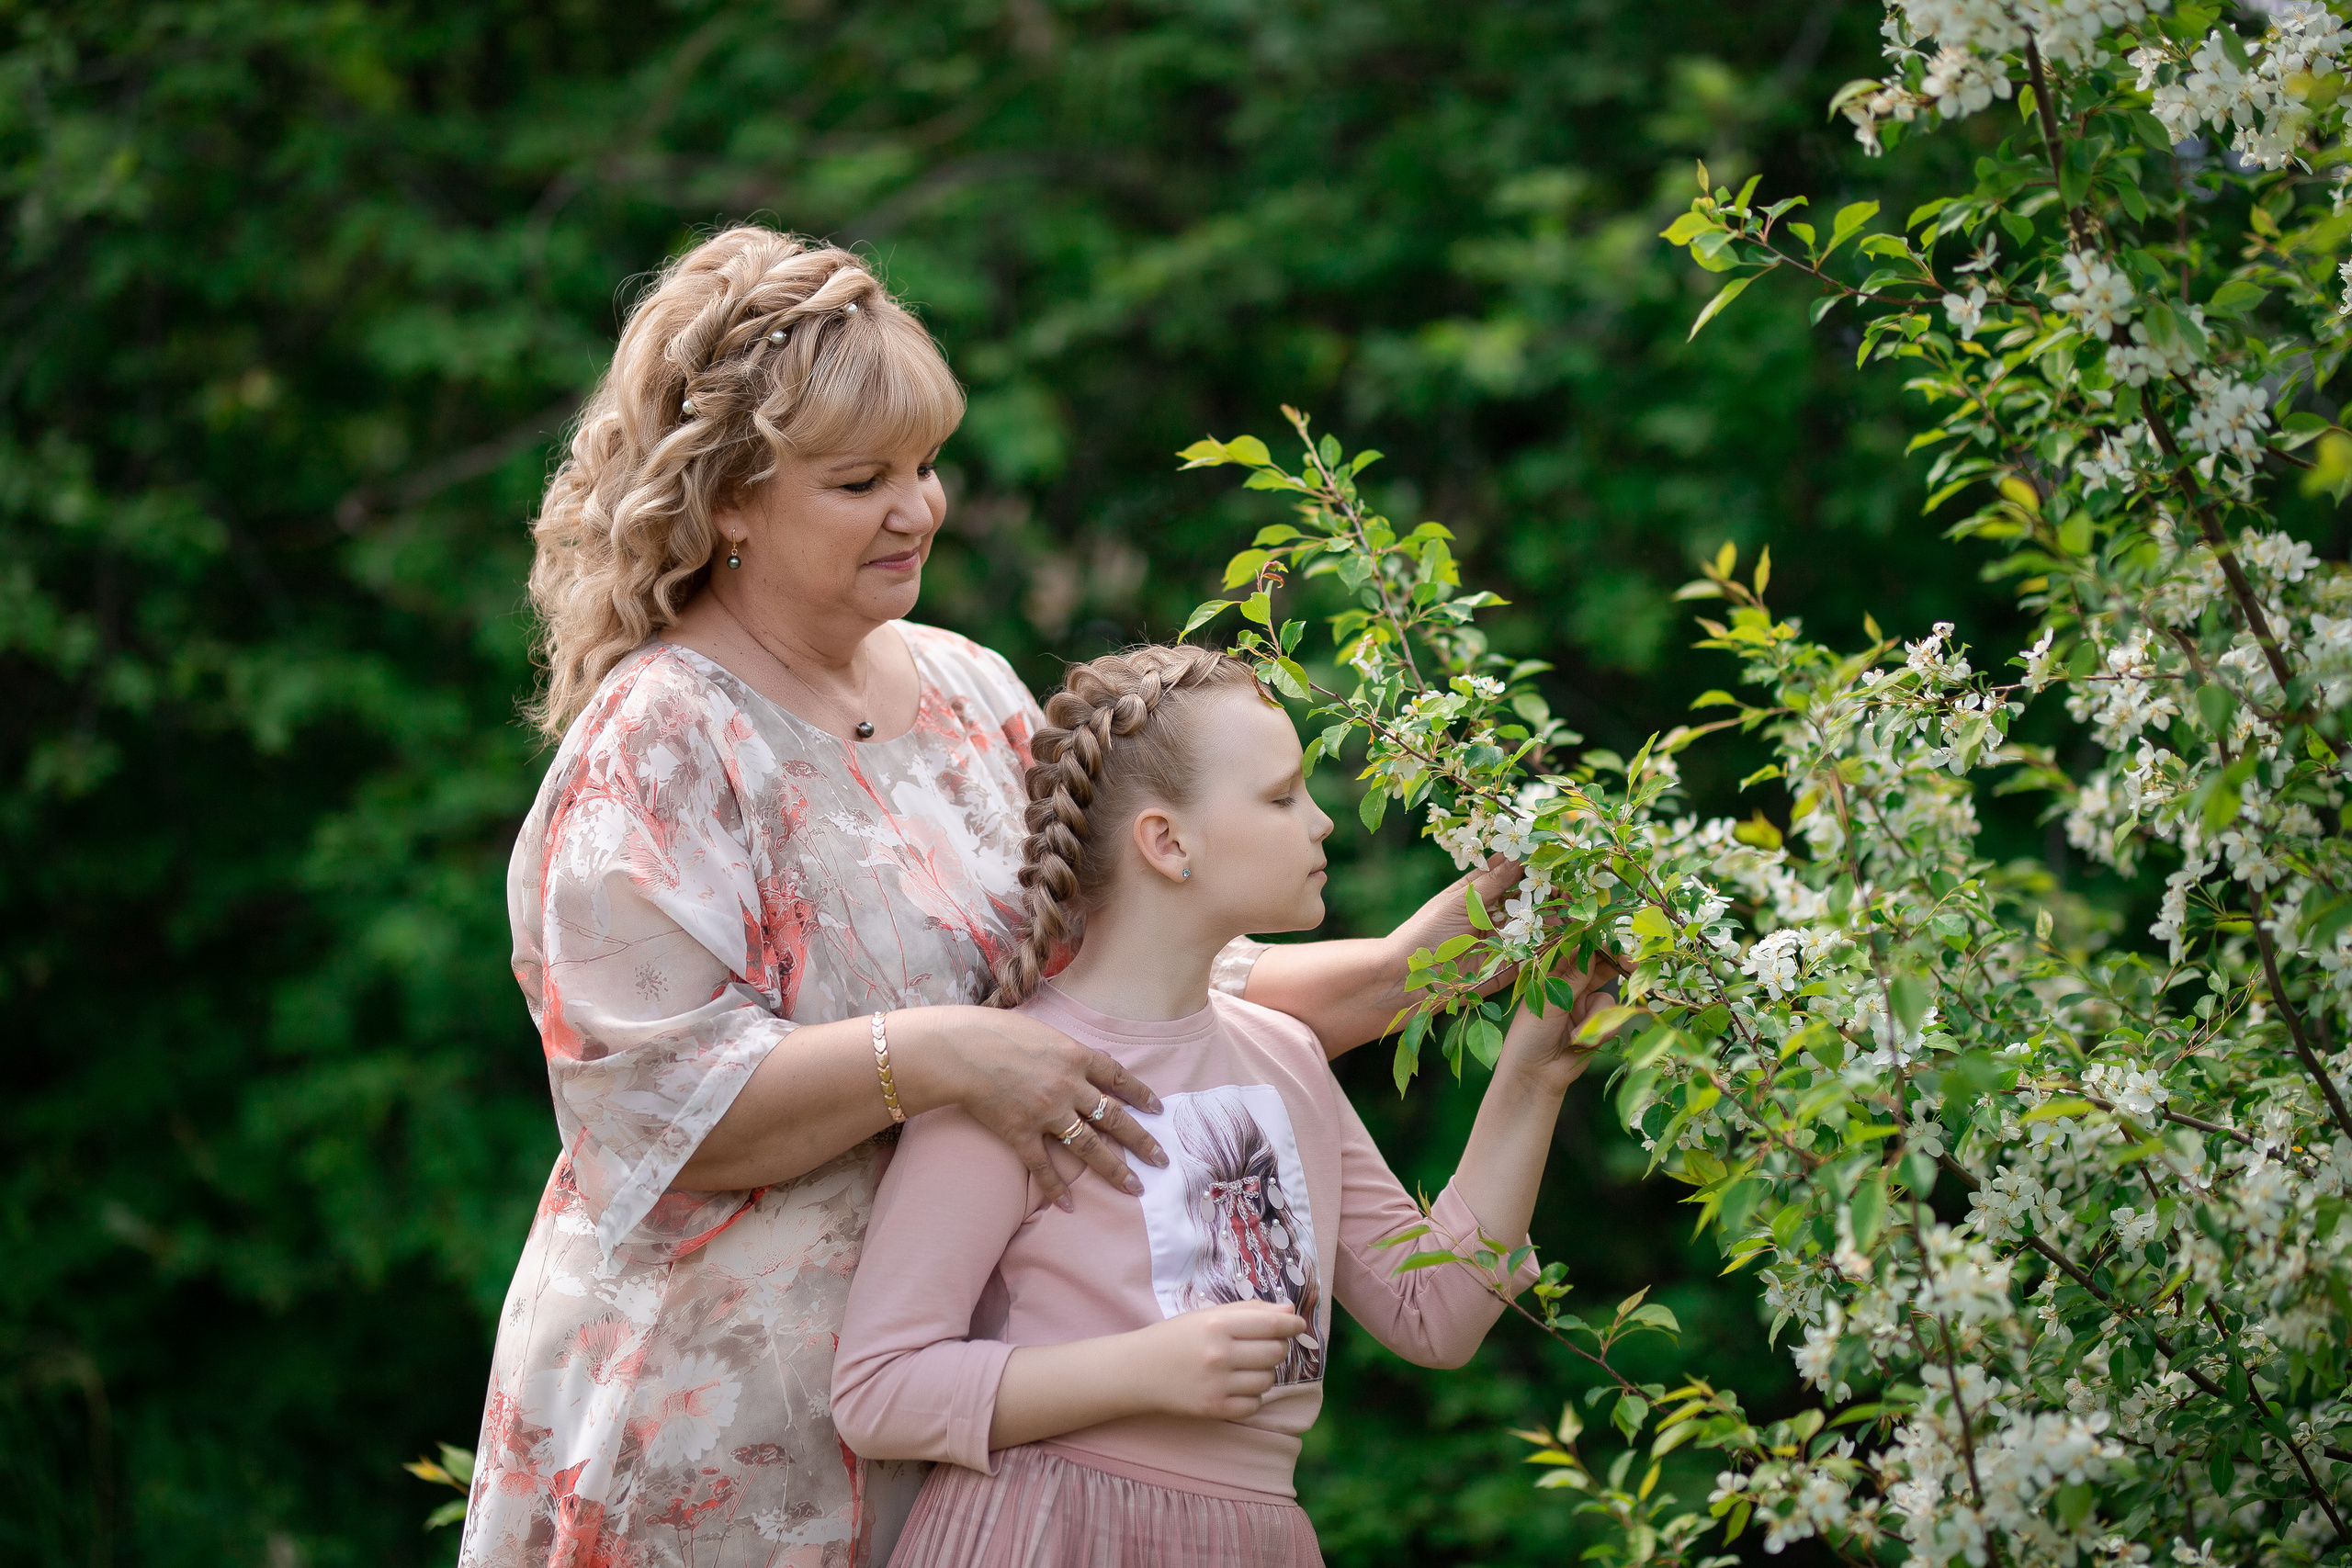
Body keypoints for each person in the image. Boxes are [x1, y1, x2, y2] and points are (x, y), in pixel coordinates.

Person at [458, 225, 1528, 1568]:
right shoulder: (661, 739)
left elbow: (1133, 1002)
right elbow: (652, 1113)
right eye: (861, 481)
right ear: (730, 498)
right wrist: (949, 1056)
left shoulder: (969, 693)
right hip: (724, 1438)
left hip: (972, 1450)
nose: (918, 509)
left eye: (925, 466)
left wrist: (1416, 965)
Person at [831, 646, 1606, 1567]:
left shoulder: (1285, 1059)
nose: (1320, 823)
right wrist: (1142, 1371)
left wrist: (1532, 1073)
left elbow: (1431, 1312)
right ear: (1167, 843)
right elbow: (878, 1391)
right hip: (1042, 1535)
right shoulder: (1014, 1077)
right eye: (1281, 798)